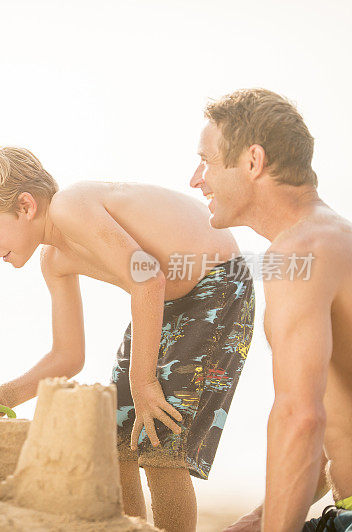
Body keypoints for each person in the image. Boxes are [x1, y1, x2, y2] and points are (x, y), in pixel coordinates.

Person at [0, 147, 255, 532]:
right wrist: (6, 395)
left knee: (160, 440)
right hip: (162, 300)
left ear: (26, 206)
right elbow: (68, 356)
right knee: (115, 442)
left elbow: (147, 277)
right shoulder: (54, 261)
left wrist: (143, 382)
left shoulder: (70, 206)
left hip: (216, 283)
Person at [191, 89, 352, 532]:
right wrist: (261, 517)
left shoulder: (301, 252)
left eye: (205, 160)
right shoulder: (334, 240)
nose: (195, 179)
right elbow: (336, 417)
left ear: (252, 161)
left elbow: (300, 417)